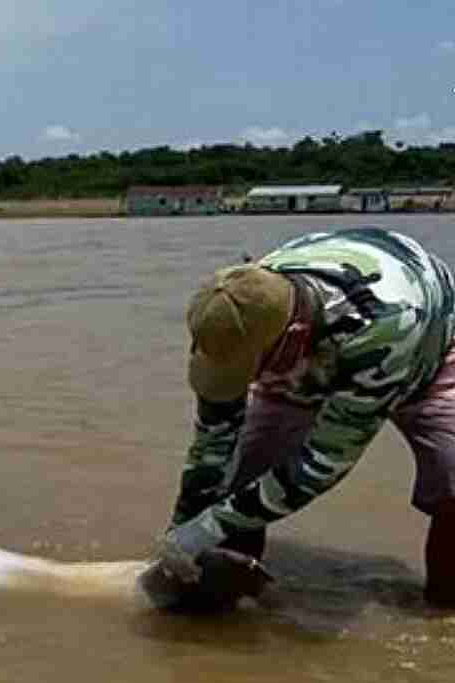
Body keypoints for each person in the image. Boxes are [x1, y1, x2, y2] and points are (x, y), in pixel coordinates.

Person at [143, 227, 455, 611]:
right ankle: (224, 604)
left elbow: (323, 463)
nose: (242, 380)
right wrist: (183, 527)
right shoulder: (236, 307)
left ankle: (443, 617)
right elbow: (213, 442)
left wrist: (209, 526)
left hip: (428, 346)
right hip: (302, 352)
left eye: (248, 369)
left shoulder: (388, 325)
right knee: (240, 480)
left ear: (293, 334)